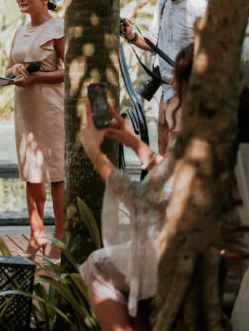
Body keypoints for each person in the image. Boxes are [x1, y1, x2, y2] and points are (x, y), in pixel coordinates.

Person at [77, 46, 193, 331]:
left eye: (176, 84)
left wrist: (96, 155)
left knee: (98, 265)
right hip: (227, 253)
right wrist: (132, 142)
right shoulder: (231, 131)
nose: (173, 91)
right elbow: (172, 175)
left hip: (187, 258)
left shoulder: (194, 138)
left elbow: (139, 200)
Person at [121, 0, 207, 153]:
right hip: (166, 89)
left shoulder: (199, 8)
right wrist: (132, 35)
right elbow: (154, 43)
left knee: (181, 157)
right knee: (163, 148)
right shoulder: (163, 2)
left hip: (188, 93)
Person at [6, 0, 65, 257]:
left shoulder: (58, 29)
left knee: (56, 172)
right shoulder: (19, 31)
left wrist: (37, 78)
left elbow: (71, 72)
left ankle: (60, 234)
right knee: (32, 172)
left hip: (51, 109)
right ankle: (35, 234)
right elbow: (7, 67)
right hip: (25, 110)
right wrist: (13, 71)